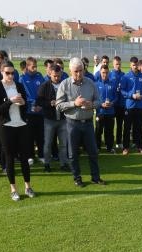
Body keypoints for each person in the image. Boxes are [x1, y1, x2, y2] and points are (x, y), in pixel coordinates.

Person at [56, 57, 106, 188]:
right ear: (70, 70)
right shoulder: (65, 84)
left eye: (81, 71)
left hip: (88, 123)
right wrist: (74, 103)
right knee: (73, 153)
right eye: (76, 71)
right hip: (72, 123)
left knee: (93, 152)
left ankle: (95, 177)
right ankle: (77, 178)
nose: (79, 74)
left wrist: (92, 105)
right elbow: (59, 105)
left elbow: (99, 101)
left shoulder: (90, 83)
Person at [0, 61, 35, 201]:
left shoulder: (19, 85)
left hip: (21, 125)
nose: (11, 76)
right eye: (7, 73)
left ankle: (28, 187)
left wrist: (23, 103)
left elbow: (25, 104)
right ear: (1, 72)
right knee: (9, 158)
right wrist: (10, 101)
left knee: (25, 158)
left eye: (12, 73)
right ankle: (13, 189)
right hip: (7, 127)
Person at [36, 63, 69, 173]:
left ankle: (64, 164)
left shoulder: (65, 85)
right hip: (49, 120)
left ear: (61, 74)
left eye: (58, 76)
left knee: (63, 143)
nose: (56, 78)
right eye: (54, 76)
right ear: (50, 74)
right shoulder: (44, 86)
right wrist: (49, 103)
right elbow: (39, 101)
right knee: (48, 143)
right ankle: (47, 164)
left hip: (63, 119)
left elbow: (70, 99)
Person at [20, 57, 46, 164]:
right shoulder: (22, 79)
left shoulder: (40, 77)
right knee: (29, 135)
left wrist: (40, 104)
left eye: (36, 66)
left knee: (40, 134)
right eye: (33, 67)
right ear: (27, 66)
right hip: (28, 111)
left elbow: (45, 92)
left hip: (40, 111)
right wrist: (31, 102)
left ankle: (41, 155)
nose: (35, 69)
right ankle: (30, 155)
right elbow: (21, 95)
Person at [120, 57, 142, 155]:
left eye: (136, 65)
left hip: (140, 106)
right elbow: (122, 91)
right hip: (129, 106)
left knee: (139, 127)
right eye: (133, 65)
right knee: (127, 127)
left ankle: (140, 147)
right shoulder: (126, 77)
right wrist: (132, 95)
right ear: (130, 65)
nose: (135, 67)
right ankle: (125, 147)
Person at [94, 64, 117, 153]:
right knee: (98, 131)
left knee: (109, 131)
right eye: (103, 73)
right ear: (100, 72)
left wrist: (112, 103)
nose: (105, 74)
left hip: (110, 112)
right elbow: (94, 98)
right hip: (100, 112)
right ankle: (97, 147)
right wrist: (101, 104)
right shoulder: (96, 84)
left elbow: (116, 97)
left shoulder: (113, 84)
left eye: (106, 73)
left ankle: (109, 147)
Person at [109, 56, 126, 149]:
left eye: (119, 64)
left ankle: (119, 142)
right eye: (116, 64)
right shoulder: (110, 74)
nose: (118, 66)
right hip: (112, 104)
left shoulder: (124, 75)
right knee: (111, 125)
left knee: (120, 124)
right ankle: (110, 143)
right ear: (113, 64)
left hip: (121, 104)